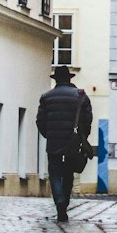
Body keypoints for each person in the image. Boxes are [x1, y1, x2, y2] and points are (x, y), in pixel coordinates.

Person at [37, 65, 92, 222]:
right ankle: (65, 203)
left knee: (54, 172)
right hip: (73, 142)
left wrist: (49, 135)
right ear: (69, 79)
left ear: (56, 80)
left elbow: (40, 121)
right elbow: (88, 119)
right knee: (68, 173)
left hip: (54, 142)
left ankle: (59, 201)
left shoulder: (46, 97)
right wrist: (82, 137)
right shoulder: (81, 96)